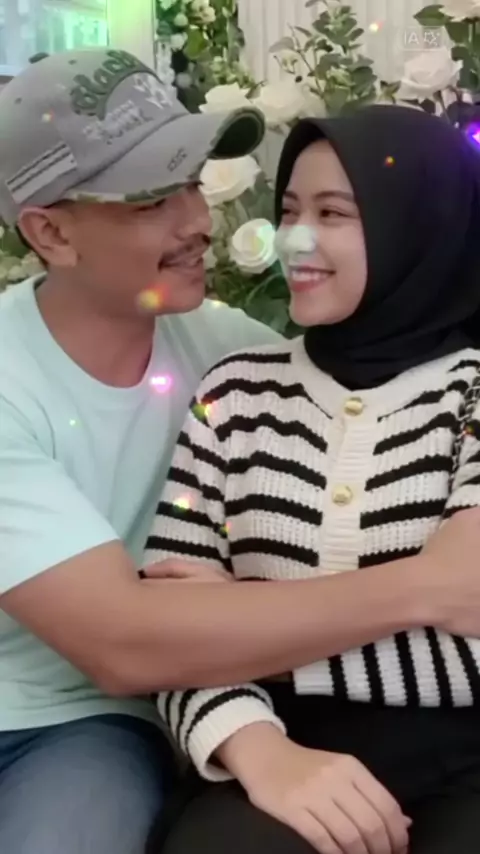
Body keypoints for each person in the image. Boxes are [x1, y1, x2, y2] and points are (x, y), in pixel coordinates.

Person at [142, 105, 480, 854]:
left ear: (417, 225)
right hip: (269, 742)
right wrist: (258, 747)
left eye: (334, 214)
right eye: (289, 209)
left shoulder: (473, 393)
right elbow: (168, 636)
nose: (294, 239)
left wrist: (239, 619)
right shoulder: (234, 393)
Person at [0, 47, 284, 854]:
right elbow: (121, 642)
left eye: (193, 182)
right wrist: (426, 591)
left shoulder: (235, 352)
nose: (199, 221)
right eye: (154, 200)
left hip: (88, 728)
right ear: (51, 232)